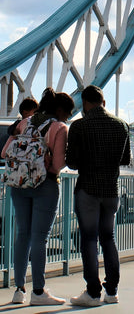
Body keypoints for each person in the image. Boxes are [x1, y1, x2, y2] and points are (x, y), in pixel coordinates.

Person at [1, 87, 74, 306]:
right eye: (68, 113)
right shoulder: (59, 128)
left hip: (19, 183)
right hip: (45, 185)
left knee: (22, 234)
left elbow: (5, 153)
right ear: (60, 111)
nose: (68, 117)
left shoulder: (25, 122)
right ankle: (39, 291)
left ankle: (19, 289)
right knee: (40, 237)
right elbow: (60, 164)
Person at [66, 84, 131, 306]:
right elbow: (125, 160)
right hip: (111, 190)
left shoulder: (79, 127)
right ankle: (111, 291)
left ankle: (92, 292)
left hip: (88, 189)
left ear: (84, 103)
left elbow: (72, 163)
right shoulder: (121, 125)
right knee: (108, 238)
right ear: (103, 102)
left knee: (89, 239)